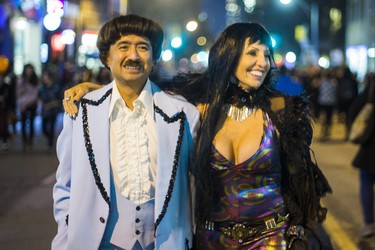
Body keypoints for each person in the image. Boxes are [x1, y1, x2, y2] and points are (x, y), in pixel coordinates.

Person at [64, 22, 332, 249]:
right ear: (230, 55)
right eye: (252, 53)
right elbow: (143, 92)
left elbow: (302, 185)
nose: (262, 63)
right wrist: (98, 89)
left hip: (270, 239)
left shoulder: (281, 111)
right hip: (210, 239)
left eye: (266, 54)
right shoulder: (195, 107)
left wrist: (297, 233)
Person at [52, 15, 200, 250]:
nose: (133, 56)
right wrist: (66, 236)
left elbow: (194, 185)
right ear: (107, 57)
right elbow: (64, 186)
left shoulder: (183, 114)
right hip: (97, 243)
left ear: (154, 58)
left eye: (143, 47)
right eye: (123, 47)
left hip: (165, 243)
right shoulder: (82, 112)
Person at [348, 72, 375, 238]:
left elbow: (354, 110)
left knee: (366, 182)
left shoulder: (372, 85)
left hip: (371, 146)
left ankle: (369, 223)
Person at [16, 63, 40, 150]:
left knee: (31, 123)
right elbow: (18, 93)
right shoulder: (21, 80)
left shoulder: (35, 80)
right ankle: (24, 141)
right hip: (23, 105)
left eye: (30, 69)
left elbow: (35, 94)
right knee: (23, 123)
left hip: (32, 104)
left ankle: (30, 141)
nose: (29, 71)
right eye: (27, 69)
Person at [38, 70, 62, 150]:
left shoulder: (56, 87)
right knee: (43, 129)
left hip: (53, 111)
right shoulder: (42, 87)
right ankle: (49, 139)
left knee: (51, 127)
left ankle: (50, 144)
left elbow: (59, 100)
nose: (44, 78)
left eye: (45, 76)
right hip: (44, 111)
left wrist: (49, 105)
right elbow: (39, 97)